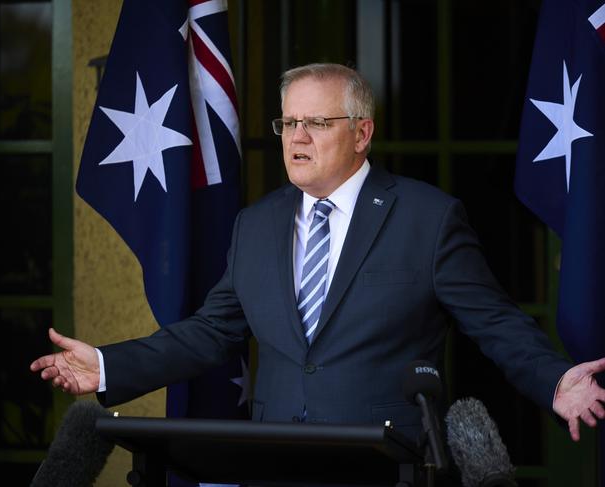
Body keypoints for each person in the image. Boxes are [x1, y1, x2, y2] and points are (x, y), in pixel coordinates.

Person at [31, 63, 605, 444]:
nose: (297, 138)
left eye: (317, 123)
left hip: (387, 462)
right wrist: (107, 365)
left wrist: (556, 382)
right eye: (288, 122)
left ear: (362, 133)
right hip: (277, 461)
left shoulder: (429, 219)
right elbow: (209, 332)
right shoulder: (255, 225)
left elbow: (495, 323)